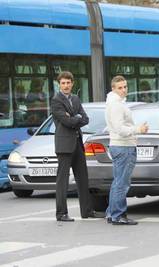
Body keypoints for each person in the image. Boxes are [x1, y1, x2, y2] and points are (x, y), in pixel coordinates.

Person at [51, 71, 104, 222]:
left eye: (68, 83)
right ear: (59, 84)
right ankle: (61, 213)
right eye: (63, 83)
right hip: (64, 145)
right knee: (62, 180)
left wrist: (73, 118)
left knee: (83, 178)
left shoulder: (75, 98)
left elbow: (85, 119)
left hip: (77, 142)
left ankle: (87, 211)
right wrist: (76, 118)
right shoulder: (56, 100)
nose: (66, 85)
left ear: (72, 83)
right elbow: (66, 122)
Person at [105, 75, 148, 225]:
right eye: (120, 87)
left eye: (125, 87)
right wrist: (138, 129)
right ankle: (118, 215)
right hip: (123, 146)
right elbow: (120, 129)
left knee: (118, 181)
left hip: (120, 145)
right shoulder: (116, 104)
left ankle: (112, 213)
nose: (123, 90)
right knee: (122, 183)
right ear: (113, 89)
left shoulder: (115, 102)